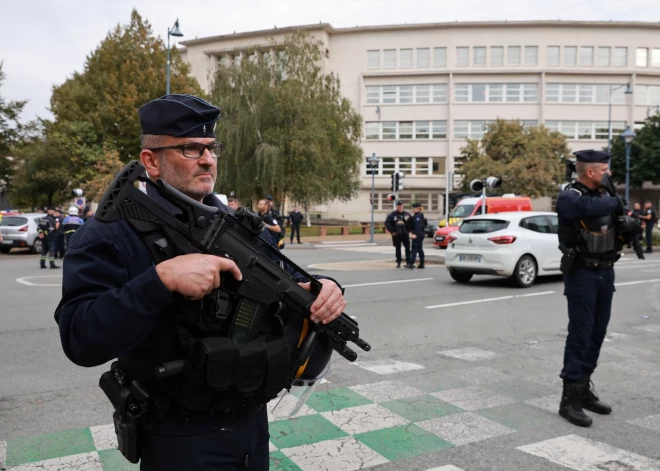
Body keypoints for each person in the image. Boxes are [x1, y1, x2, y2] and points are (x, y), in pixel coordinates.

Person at [54, 94, 346, 471]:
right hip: (180, 438)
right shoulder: (113, 233)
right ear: (150, 162)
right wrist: (159, 281)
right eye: (190, 149)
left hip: (251, 428)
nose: (208, 159)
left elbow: (285, 277)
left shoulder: (235, 224)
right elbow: (79, 337)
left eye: (211, 148)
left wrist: (322, 286)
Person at [555, 149, 623, 428]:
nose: (608, 174)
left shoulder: (604, 197)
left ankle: (583, 389)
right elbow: (583, 211)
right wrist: (617, 203)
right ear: (591, 172)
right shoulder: (571, 195)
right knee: (580, 335)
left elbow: (616, 217)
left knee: (597, 333)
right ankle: (568, 398)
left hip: (606, 273)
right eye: (604, 170)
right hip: (582, 273)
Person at [385, 201, 412, 268]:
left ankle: (408, 262)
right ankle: (398, 262)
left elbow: (411, 223)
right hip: (396, 234)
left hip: (405, 234)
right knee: (397, 249)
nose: (399, 207)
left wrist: (409, 230)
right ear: (396, 207)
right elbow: (387, 223)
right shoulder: (392, 215)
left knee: (407, 248)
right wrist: (392, 231)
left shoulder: (407, 214)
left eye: (401, 206)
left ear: (403, 206)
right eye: (398, 206)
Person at [405, 203, 426, 269]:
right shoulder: (417, 215)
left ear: (418, 208)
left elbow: (417, 226)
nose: (413, 209)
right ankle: (422, 264)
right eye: (413, 208)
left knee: (414, 248)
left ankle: (411, 263)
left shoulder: (418, 216)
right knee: (419, 249)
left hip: (418, 234)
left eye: (414, 208)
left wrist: (415, 234)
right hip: (420, 234)